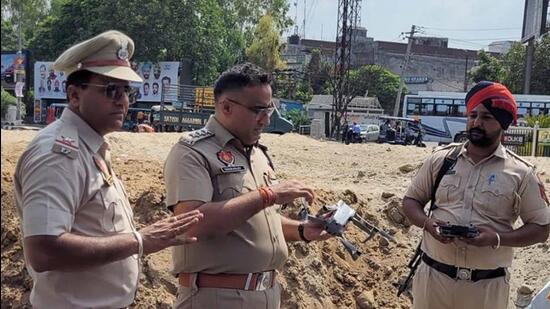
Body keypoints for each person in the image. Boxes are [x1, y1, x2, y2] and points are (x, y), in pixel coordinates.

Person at [13, 30, 203, 308]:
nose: (122, 101)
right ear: (74, 95)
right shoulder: (58, 154)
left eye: (127, 90)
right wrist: (139, 241)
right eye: (111, 90)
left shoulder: (90, 147)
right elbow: (44, 250)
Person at [164, 63, 332, 309]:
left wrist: (302, 231)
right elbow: (192, 224)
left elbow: (257, 222)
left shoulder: (256, 154)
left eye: (269, 110)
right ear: (226, 107)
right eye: (257, 110)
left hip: (266, 294)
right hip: (216, 298)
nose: (265, 119)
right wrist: (269, 194)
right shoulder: (192, 152)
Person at [402, 81, 550, 309]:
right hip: (433, 280)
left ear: (503, 124)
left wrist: (497, 238)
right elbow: (411, 201)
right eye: (473, 115)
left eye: (487, 117)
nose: (477, 122)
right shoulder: (440, 160)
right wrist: (428, 224)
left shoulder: (521, 173)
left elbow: (542, 228)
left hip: (486, 288)